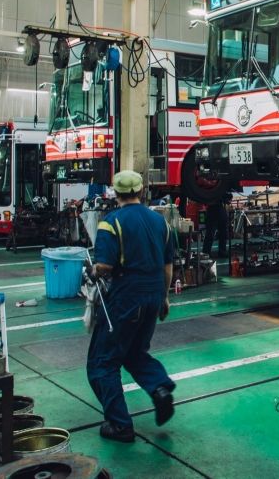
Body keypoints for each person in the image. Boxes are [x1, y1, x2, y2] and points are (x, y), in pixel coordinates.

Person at [87, 170, 176, 443]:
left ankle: (120, 425)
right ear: (141, 190)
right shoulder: (161, 222)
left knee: (103, 362)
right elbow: (168, 267)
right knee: (135, 352)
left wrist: (92, 271)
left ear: (115, 193)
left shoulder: (111, 223)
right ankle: (159, 387)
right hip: (152, 295)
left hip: (126, 298)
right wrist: (163, 297)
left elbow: (106, 266)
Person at [202, 192, 233, 262]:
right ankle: (206, 253)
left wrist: (227, 198)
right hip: (213, 209)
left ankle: (221, 252)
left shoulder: (222, 187)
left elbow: (228, 197)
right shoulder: (213, 187)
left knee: (223, 233)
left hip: (218, 209)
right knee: (210, 233)